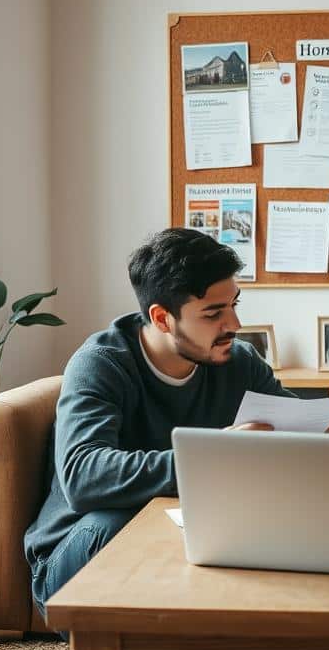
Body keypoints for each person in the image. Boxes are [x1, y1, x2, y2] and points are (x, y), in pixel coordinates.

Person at [24, 229, 302, 616]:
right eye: (213, 313)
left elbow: (305, 425)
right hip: (77, 553)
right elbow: (84, 477)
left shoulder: (239, 363)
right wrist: (210, 456)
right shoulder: (102, 364)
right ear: (162, 317)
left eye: (234, 304)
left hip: (191, 539)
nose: (235, 323)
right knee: (115, 523)